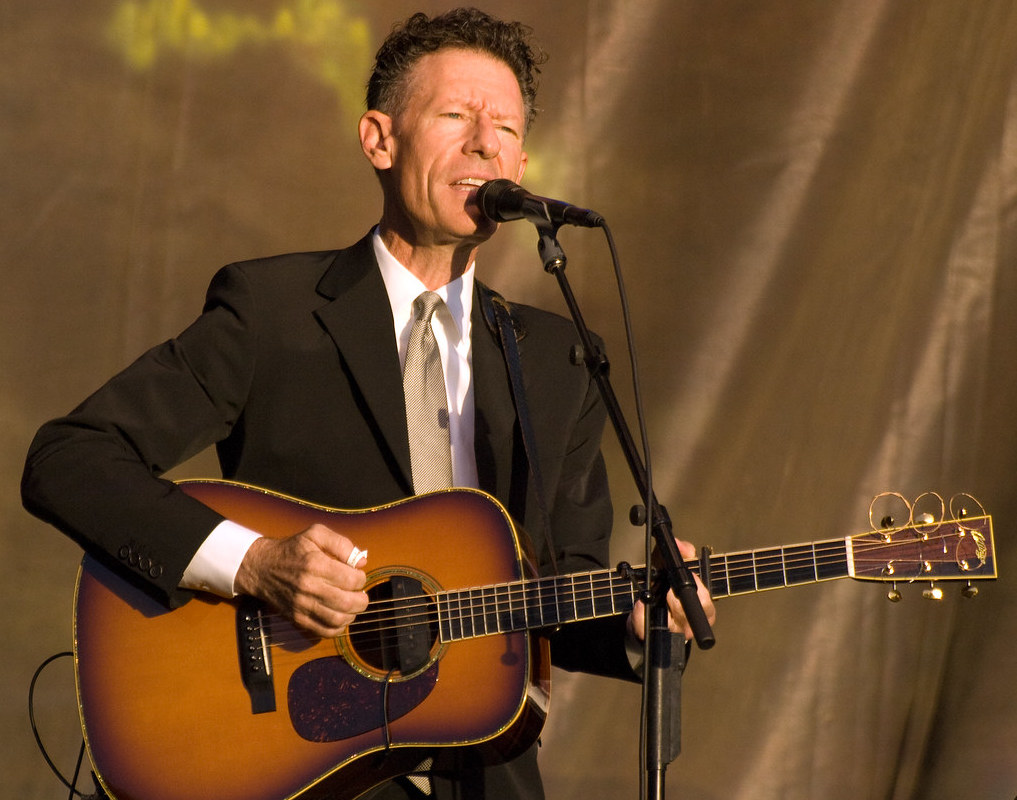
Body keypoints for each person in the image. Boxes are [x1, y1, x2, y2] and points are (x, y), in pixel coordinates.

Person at [22, 8, 715, 799]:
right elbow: (69, 459)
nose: (485, 142)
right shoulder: (273, 311)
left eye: (506, 127)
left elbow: (562, 583)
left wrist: (634, 619)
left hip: (481, 776)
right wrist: (252, 563)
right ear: (379, 140)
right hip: (299, 764)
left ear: (523, 160)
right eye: (455, 115)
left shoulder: (557, 356)